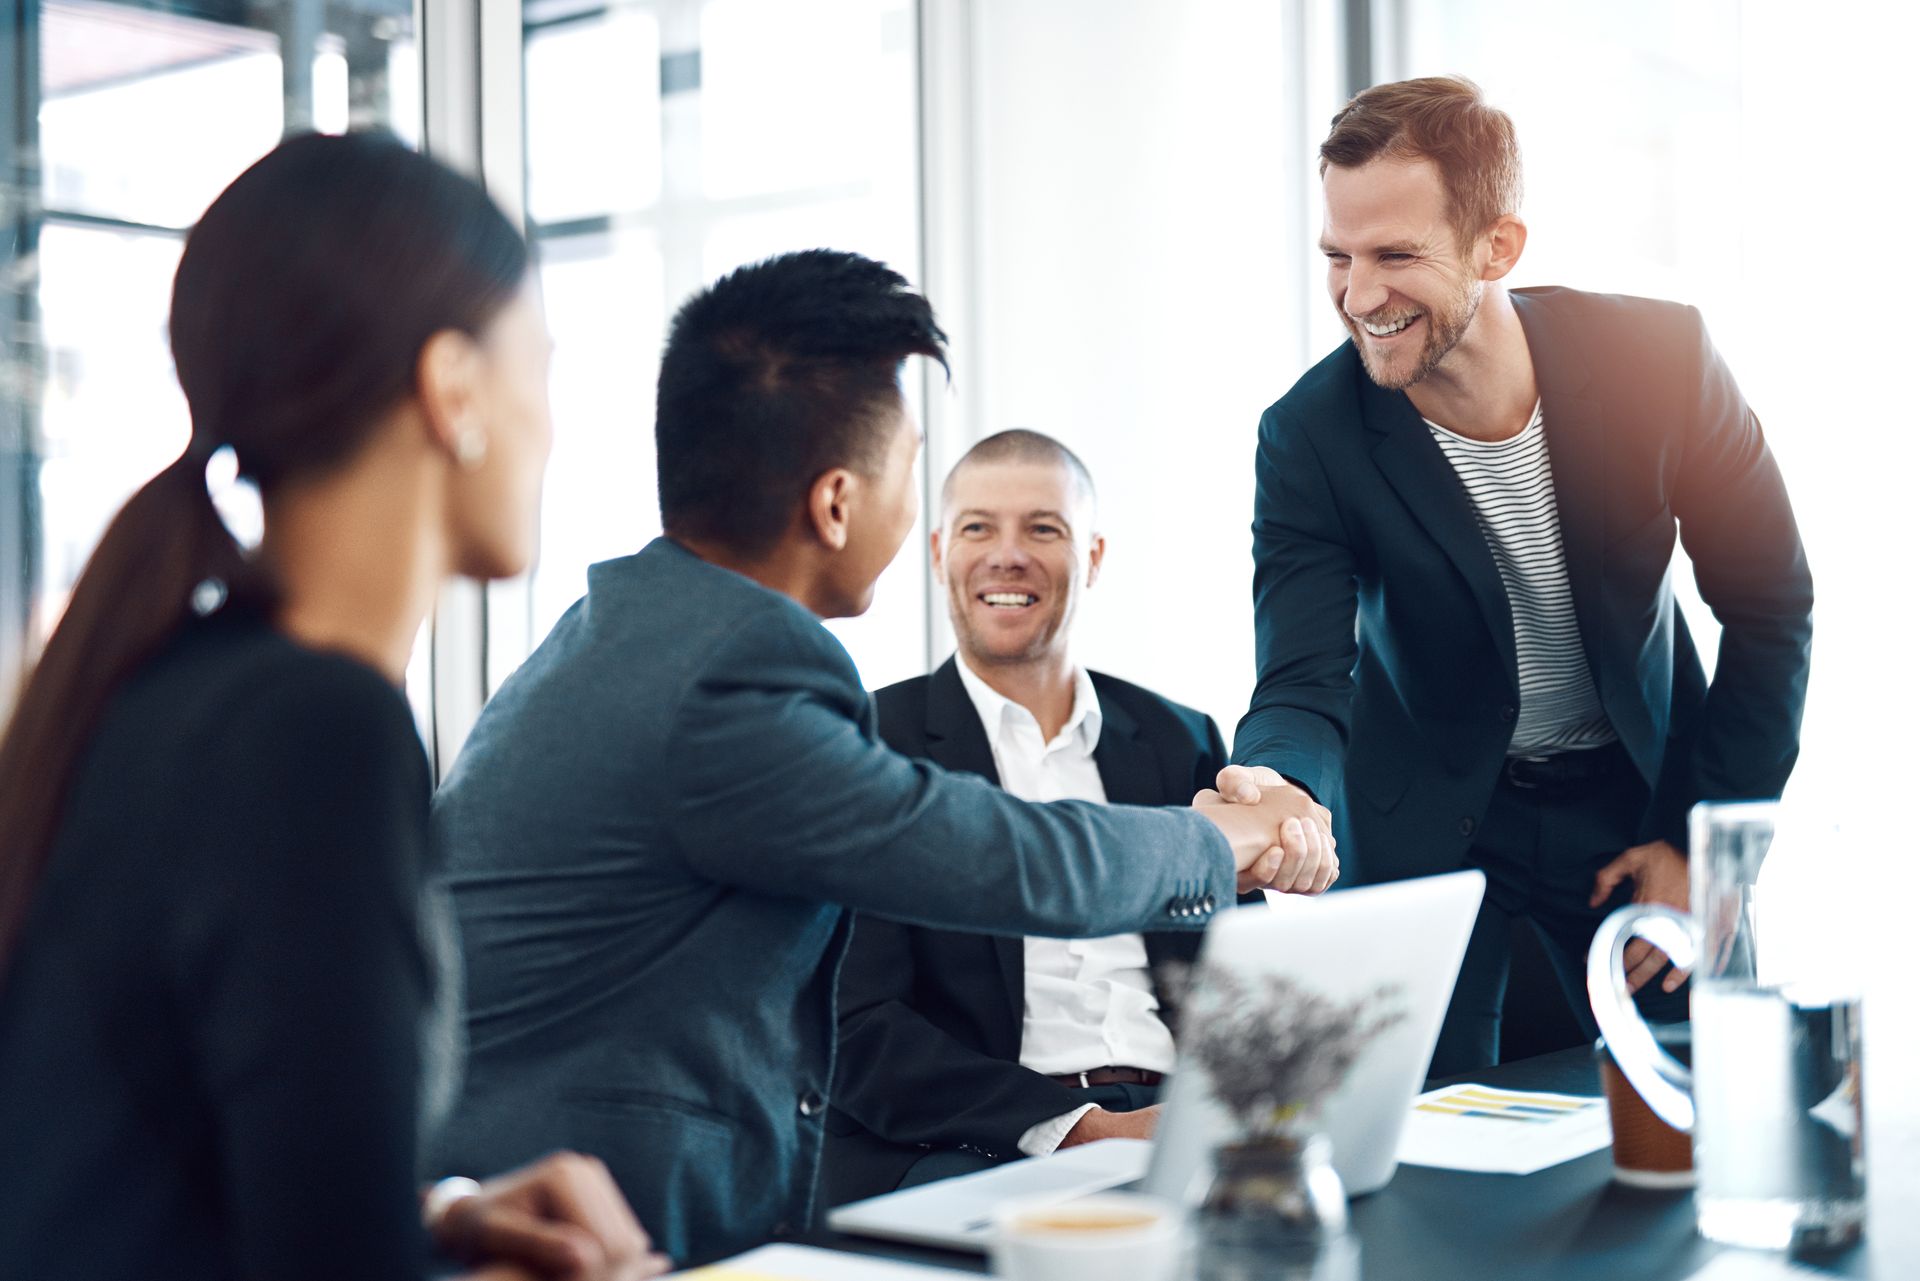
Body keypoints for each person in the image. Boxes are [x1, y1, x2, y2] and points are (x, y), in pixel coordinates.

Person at [429, 251, 1333, 1267]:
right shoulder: (738, 676)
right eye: (913, 471)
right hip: (589, 1223)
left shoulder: (626, 627)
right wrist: (1226, 841)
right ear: (835, 504)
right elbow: (1012, 862)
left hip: (545, 1186)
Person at [0, 133, 666, 1281]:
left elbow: (167, 1184)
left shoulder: (181, 685)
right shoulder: (315, 736)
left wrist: (443, 1217)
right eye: (541, 369)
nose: (552, 426)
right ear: (452, 388)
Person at [1220, 76, 1813, 1075]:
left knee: (1694, 1106)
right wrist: (1277, 786)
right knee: (1423, 1151)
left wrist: (1702, 847)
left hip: (1639, 799)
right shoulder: (1309, 435)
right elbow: (1305, 677)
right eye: (1340, 257)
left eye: (1396, 255)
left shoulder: (1660, 363)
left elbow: (1770, 604)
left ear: (1498, 249)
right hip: (1435, 824)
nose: (1359, 296)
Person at [825, 430, 1327, 1206]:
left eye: (1043, 528)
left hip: (1178, 1112)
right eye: (977, 527)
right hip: (981, 1140)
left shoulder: (1178, 736)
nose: (1007, 554)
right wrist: (1082, 1127)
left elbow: (1235, 978)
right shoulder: (867, 741)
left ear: (1092, 557)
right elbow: (853, 1023)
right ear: (937, 553)